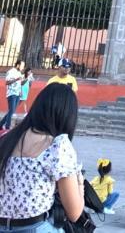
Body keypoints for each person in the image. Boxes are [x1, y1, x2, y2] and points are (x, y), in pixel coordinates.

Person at [0, 82, 84, 232]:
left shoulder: (8, 138)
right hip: (34, 227)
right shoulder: (58, 146)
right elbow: (74, 213)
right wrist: (80, 183)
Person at [2, 61, 26, 130]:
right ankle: (7, 127)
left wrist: (25, 80)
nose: (23, 68)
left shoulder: (19, 73)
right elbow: (7, 82)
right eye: (22, 66)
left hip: (17, 93)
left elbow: (20, 83)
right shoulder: (11, 72)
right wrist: (17, 79)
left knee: (11, 111)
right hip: (11, 93)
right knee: (11, 110)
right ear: (18, 65)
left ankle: (1, 124)